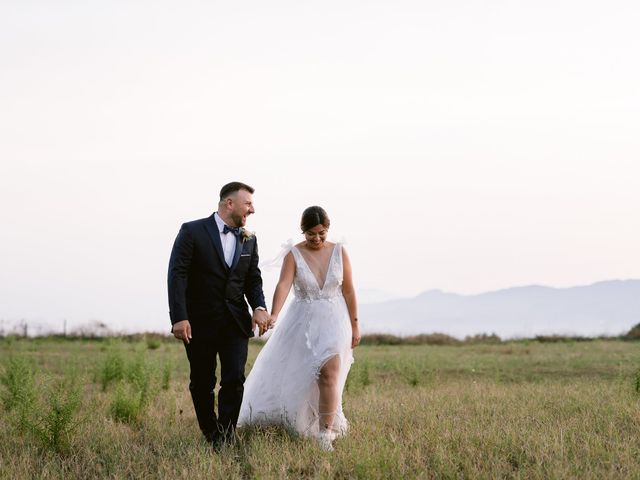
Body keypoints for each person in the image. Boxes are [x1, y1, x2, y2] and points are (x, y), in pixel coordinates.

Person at [238, 206, 361, 451]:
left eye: (322, 233)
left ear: (328, 229)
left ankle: (325, 433)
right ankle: (298, 418)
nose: (316, 239)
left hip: (336, 321)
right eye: (311, 234)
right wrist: (273, 313)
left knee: (330, 374)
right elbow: (283, 285)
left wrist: (356, 325)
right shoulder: (293, 255)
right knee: (302, 375)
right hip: (303, 323)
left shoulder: (339, 251)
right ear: (302, 231)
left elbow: (348, 290)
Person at [167, 181, 270, 448]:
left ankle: (225, 435)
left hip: (235, 322)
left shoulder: (250, 238)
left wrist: (259, 307)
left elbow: (252, 279)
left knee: (234, 379)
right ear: (229, 203)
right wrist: (179, 316)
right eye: (248, 203)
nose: (253, 209)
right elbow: (177, 275)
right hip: (198, 322)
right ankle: (211, 432)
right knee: (202, 382)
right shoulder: (192, 231)